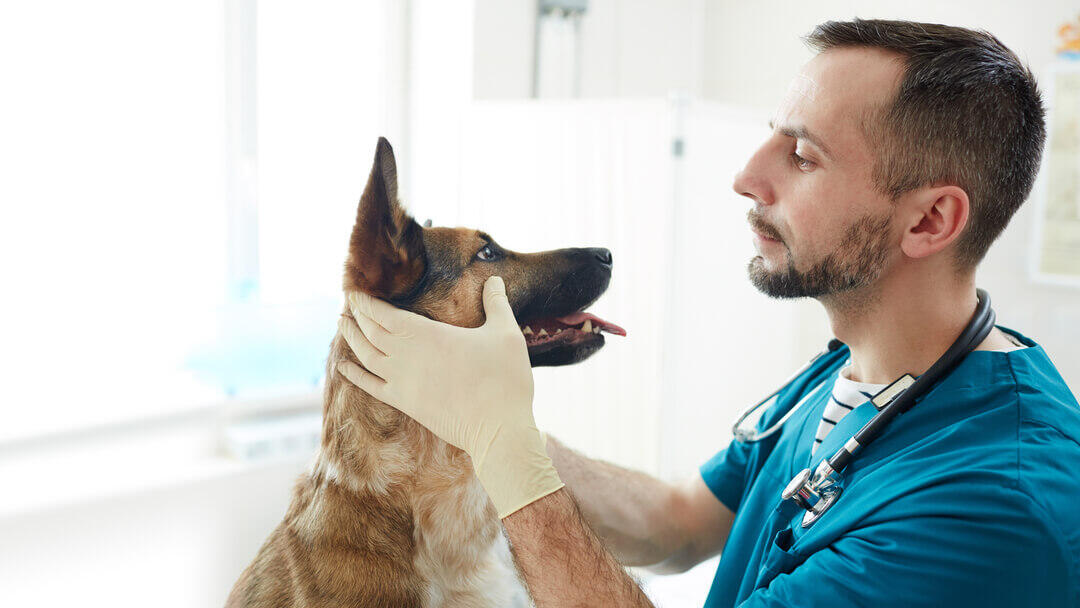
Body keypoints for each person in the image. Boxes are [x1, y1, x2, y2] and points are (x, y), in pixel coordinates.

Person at [336, 18, 1080, 607]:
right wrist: (476, 421)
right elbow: (679, 525)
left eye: (803, 155)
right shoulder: (856, 372)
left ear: (929, 222)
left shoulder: (993, 508)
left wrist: (504, 447)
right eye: (771, 133)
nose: (746, 175)